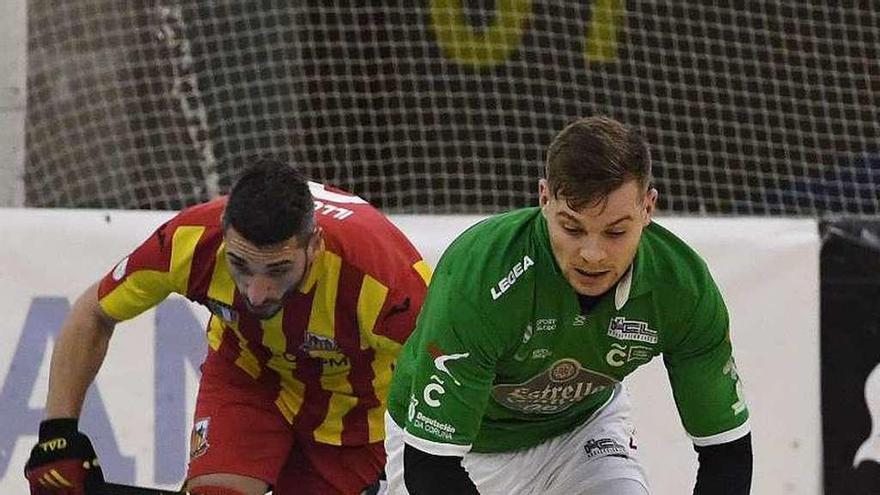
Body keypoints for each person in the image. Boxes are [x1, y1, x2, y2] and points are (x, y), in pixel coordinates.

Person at [384, 116, 752, 495]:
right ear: (544, 199)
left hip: (581, 432)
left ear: (648, 207)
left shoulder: (682, 287)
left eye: (616, 231)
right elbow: (430, 469)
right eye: (572, 228)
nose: (592, 255)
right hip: (457, 451)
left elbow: (726, 454)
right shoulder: (482, 275)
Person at [24, 157, 432, 495]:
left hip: (356, 412)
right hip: (248, 378)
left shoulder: (388, 282)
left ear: (315, 246)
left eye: (278, 269)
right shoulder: (192, 239)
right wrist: (57, 432)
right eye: (240, 265)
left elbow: (446, 377)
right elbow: (94, 313)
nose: (257, 292)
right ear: (223, 234)